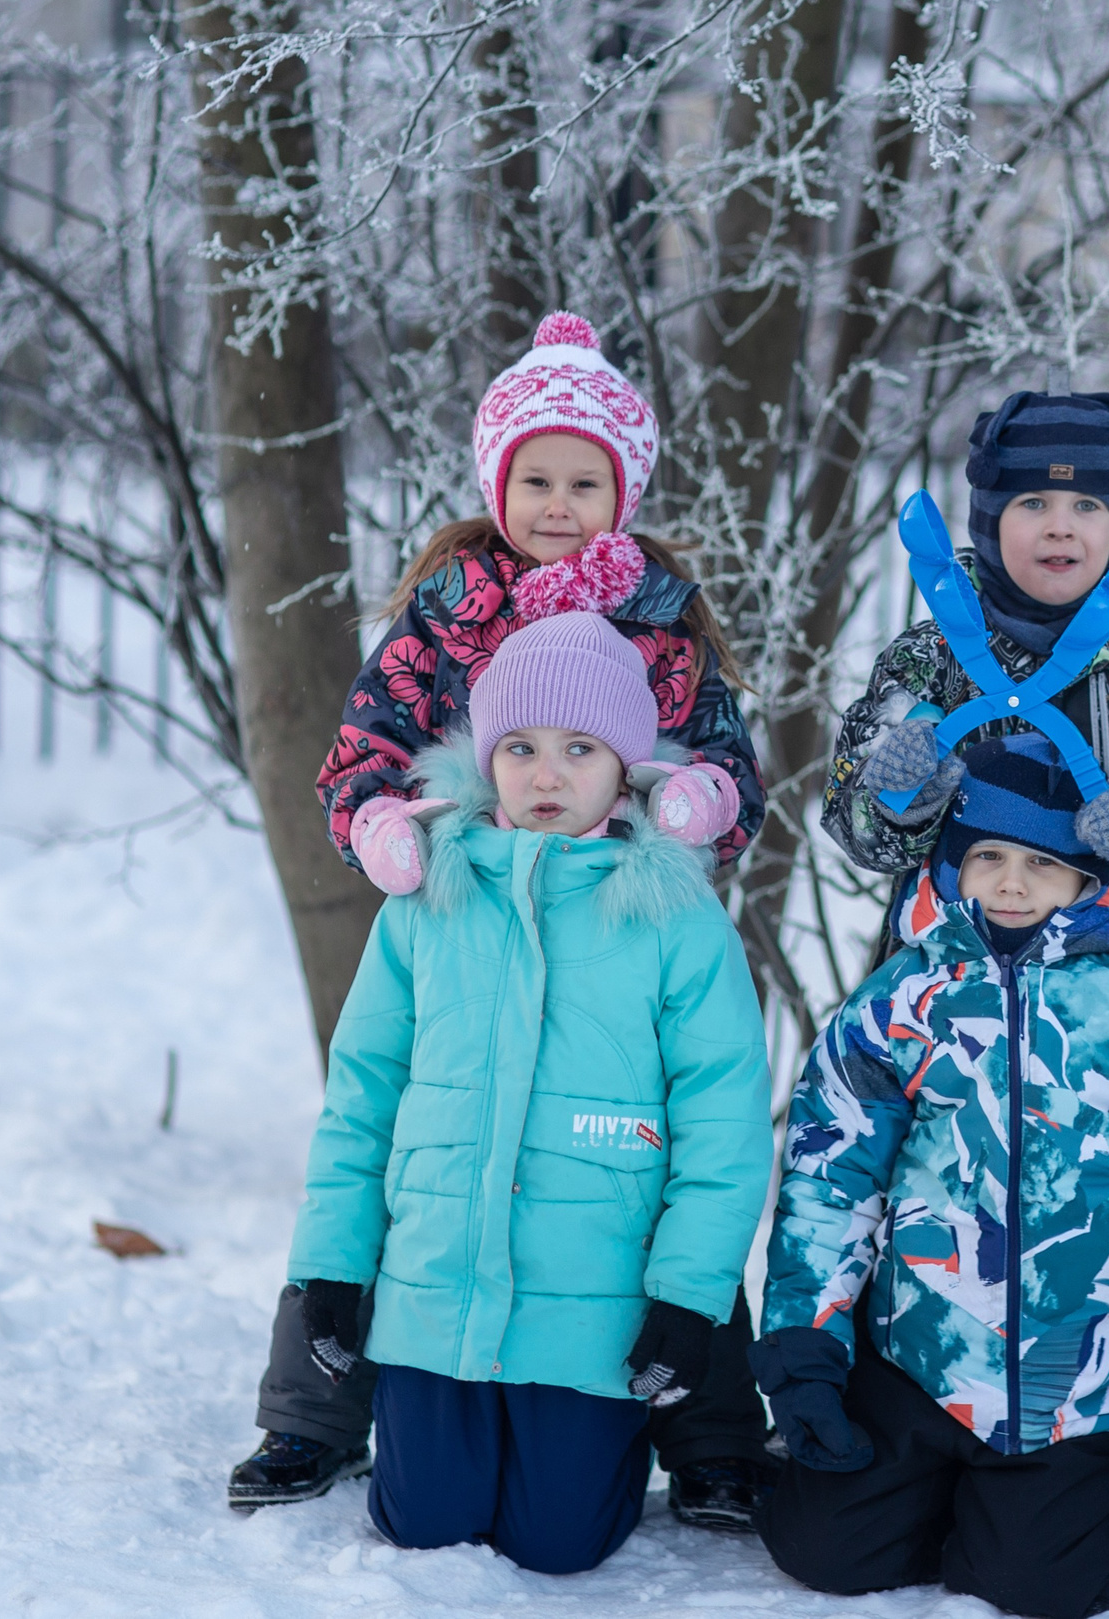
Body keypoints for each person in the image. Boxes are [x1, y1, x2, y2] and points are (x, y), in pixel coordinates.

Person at [232, 312, 775, 1534]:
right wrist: (379, 821)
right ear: (497, 484)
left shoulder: (660, 611)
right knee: (410, 1138)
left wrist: (700, 801)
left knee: (645, 1149)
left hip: (620, 901)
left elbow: (727, 760)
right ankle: (313, 1411)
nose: (559, 505)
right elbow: (367, 740)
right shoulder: (450, 604)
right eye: (537, 480)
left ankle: (710, 1435)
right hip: (467, 894)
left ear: (623, 492)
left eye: (586, 482)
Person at [759, 736, 1109, 1611]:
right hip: (920, 1359)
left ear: (1089, 879)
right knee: (822, 1550)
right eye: (988, 856)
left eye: (1043, 863)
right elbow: (832, 1175)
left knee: (1038, 1585)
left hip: (1074, 1382)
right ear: (954, 863)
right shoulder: (905, 996)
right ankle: (937, 1487)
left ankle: (1102, 1489)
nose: (1011, 883)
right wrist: (806, 1345)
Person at [282, 614, 772, 1573]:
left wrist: (687, 1297)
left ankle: (604, 1450)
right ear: (486, 756)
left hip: (591, 1305)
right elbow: (363, 1095)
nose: (547, 774)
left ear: (624, 765)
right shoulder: (428, 899)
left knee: (560, 1541)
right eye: (520, 747)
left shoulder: (675, 915)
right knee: (421, 1521)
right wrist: (331, 1266)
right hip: (437, 1293)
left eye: (579, 748)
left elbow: (723, 1118)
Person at [822, 391, 1109, 1008]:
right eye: (1032, 503)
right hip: (947, 997)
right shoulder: (931, 654)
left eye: (1086, 505)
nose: (1060, 525)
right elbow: (855, 818)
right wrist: (894, 796)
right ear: (989, 520)